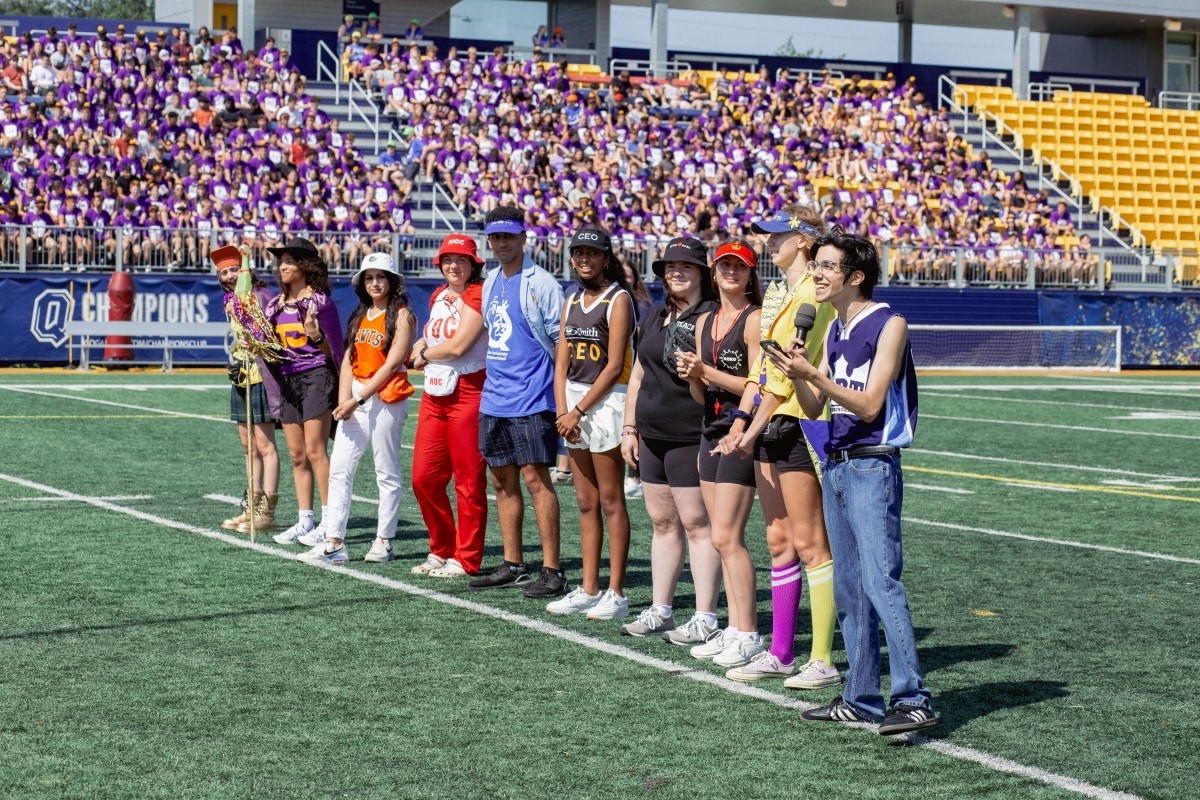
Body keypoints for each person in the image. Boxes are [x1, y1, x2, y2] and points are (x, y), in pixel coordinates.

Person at [768, 230, 938, 736]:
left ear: (855, 276)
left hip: (870, 464)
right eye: (815, 264)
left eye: (825, 265)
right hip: (839, 463)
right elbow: (817, 407)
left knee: (880, 582)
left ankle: (913, 699)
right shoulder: (834, 327)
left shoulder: (890, 323)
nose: (815, 273)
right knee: (847, 586)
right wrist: (795, 370)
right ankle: (861, 697)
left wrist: (811, 375)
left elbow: (868, 405)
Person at [715, 207, 840, 687]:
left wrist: (749, 426)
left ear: (804, 241)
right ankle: (782, 652)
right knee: (778, 542)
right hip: (770, 422)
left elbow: (791, 374)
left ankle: (823, 658)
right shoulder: (779, 290)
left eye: (778, 235)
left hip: (802, 424)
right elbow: (761, 370)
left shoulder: (814, 291)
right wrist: (742, 420)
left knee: (811, 545)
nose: (768, 242)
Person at [618, 237, 722, 646]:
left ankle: (705, 616)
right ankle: (661, 609)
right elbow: (639, 375)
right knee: (662, 524)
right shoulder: (657, 314)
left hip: (689, 434)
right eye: (669, 267)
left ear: (701, 274)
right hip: (652, 435)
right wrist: (629, 429)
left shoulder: (711, 315)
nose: (675, 273)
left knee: (698, 526)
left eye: (686, 267)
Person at [674, 240, 765, 670]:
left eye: (739, 267)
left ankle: (747, 632)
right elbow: (699, 393)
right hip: (709, 430)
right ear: (715, 271)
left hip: (740, 432)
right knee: (717, 536)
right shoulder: (705, 320)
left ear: (750, 274)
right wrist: (694, 376)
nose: (731, 272)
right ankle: (733, 628)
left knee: (728, 536)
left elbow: (755, 383)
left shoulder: (755, 319)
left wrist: (706, 372)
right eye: (725, 265)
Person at [468, 205, 567, 598]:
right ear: (488, 240)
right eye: (496, 237)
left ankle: (553, 569)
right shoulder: (491, 280)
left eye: (509, 235)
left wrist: (559, 399)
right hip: (495, 397)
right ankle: (513, 563)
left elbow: (561, 344)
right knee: (501, 480)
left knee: (536, 480)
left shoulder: (542, 283)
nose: (502, 243)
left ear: (524, 238)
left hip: (532, 396)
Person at [300, 252, 415, 565]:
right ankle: (334, 542)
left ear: (392, 281)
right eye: (369, 277)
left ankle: (384, 541)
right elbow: (349, 360)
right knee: (339, 470)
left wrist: (358, 399)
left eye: (380, 277)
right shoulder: (359, 314)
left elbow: (392, 365)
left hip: (386, 399)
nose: (375, 283)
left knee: (386, 472)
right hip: (356, 400)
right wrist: (343, 401)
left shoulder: (403, 316)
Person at [547, 226, 634, 620]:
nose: (584, 259)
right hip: (574, 402)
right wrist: (563, 410)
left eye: (592, 253)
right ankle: (588, 587)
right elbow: (561, 359)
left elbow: (615, 365)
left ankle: (615, 593)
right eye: (578, 252)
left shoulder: (619, 299)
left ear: (605, 257)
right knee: (585, 501)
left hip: (606, 403)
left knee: (611, 499)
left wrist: (577, 412)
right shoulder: (571, 299)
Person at [409, 234, 490, 577]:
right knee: (423, 478)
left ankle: (466, 558)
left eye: (461, 260)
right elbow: (436, 334)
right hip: (435, 392)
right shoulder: (438, 295)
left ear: (473, 264)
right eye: (447, 260)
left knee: (468, 481)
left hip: (470, 390)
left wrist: (422, 354)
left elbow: (459, 347)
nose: (454, 266)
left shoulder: (479, 294)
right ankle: (441, 548)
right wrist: (422, 341)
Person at [265, 238, 344, 547]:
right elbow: (272, 350)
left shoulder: (320, 302)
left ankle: (329, 522)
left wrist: (316, 333)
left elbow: (334, 350)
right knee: (297, 455)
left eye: (289, 261)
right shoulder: (274, 305)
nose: (282, 266)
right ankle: (305, 521)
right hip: (289, 381)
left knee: (315, 451)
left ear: (305, 266)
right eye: (280, 261)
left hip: (316, 377)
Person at [213, 244, 281, 535]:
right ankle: (251, 507)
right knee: (248, 446)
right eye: (223, 272)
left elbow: (272, 336)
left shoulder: (261, 296)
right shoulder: (232, 300)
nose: (229, 276)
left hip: (260, 375)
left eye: (234, 270)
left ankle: (267, 511)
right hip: (241, 375)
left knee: (266, 446)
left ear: (246, 271)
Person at [621, 259, 652, 500]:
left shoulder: (640, 303)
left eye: (629, 275)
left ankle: (636, 475)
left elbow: (639, 334)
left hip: (634, 368)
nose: (625, 279)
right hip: (621, 369)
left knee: (635, 423)